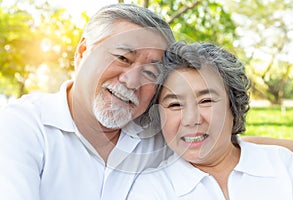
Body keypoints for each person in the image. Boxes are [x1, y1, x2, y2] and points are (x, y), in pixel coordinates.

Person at [0, 4, 175, 200]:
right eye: (122, 58)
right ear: (83, 52)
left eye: (150, 73)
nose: (132, 81)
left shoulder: (164, 143)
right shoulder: (23, 125)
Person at [127, 41, 293, 200]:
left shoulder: (283, 165)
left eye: (206, 101)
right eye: (175, 104)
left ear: (233, 105)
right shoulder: (152, 188)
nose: (191, 119)